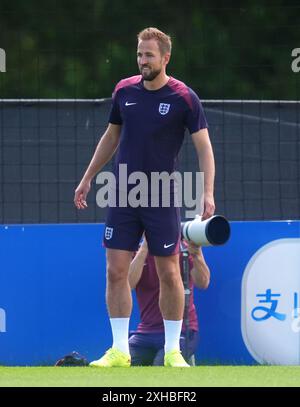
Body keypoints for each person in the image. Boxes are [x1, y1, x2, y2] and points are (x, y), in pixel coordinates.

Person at [74, 27, 215, 367]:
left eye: (149, 55)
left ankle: (172, 352)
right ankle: (119, 350)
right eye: (139, 54)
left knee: (169, 272)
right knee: (115, 271)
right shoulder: (124, 91)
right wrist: (88, 177)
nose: (143, 60)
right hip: (122, 194)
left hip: (162, 195)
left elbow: (204, 148)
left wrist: (208, 192)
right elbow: (111, 137)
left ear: (165, 58)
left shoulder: (184, 97)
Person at [128, 237, 210, 366]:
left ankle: (185, 358)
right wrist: (144, 248)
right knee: (123, 365)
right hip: (145, 332)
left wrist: (197, 255)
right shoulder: (137, 252)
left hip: (182, 331)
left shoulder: (183, 249)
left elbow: (203, 282)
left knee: (161, 368)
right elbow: (128, 284)